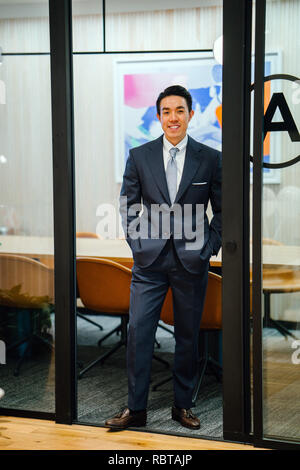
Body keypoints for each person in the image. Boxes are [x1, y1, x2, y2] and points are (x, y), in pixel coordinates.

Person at [105, 85, 221, 430]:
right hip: (149, 261)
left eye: (179, 111)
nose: (173, 117)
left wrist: (207, 248)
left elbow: (225, 211)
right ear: (158, 117)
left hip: (191, 261)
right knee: (139, 332)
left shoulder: (210, 158)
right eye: (167, 111)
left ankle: (182, 405)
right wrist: (138, 244)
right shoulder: (139, 156)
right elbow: (128, 205)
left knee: (187, 335)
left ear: (190, 115)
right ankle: (135, 408)